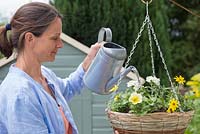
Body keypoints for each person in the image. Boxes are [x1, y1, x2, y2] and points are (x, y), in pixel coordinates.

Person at [0, 2, 101, 134]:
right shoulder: (21, 95)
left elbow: (68, 88)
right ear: (30, 38)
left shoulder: (44, 75)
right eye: (55, 38)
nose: (60, 44)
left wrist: (89, 61)